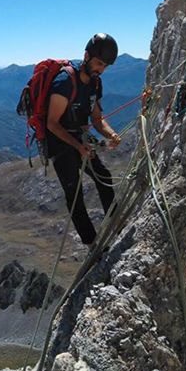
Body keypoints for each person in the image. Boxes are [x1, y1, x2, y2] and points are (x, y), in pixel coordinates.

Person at [46, 33, 121, 247]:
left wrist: (111, 134)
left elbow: (97, 119)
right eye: (99, 63)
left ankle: (117, 224)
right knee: (74, 194)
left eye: (105, 66)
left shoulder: (95, 85)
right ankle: (92, 244)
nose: (101, 70)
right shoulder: (64, 82)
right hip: (59, 142)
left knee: (103, 176)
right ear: (86, 56)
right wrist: (78, 146)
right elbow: (52, 123)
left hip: (80, 138)